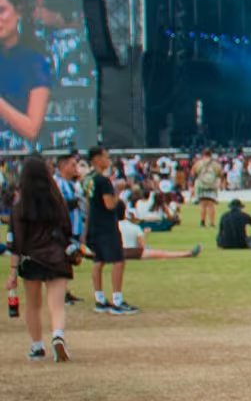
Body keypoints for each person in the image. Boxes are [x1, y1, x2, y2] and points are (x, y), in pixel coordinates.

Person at [10, 156, 74, 361]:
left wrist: (12, 271)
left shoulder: (20, 207)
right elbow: (67, 229)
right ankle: (58, 336)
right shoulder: (57, 201)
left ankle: (37, 346)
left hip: (31, 259)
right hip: (56, 256)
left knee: (33, 305)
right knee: (56, 305)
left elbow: (16, 241)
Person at [81, 147, 136, 315]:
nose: (109, 160)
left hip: (93, 225)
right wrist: (118, 190)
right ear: (97, 159)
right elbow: (110, 205)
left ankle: (100, 299)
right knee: (118, 260)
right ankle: (117, 300)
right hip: (106, 226)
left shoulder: (87, 179)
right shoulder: (103, 181)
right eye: (106, 157)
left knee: (99, 261)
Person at [0, 0, 52, 145]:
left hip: (18, 154)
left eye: (2, 11)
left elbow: (31, 129)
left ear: (18, 12)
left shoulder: (35, 62)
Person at [117, 217, 201, 260]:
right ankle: (188, 253)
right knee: (163, 253)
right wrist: (146, 234)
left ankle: (188, 253)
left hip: (117, 252)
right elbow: (142, 245)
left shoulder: (112, 226)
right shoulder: (134, 227)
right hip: (134, 252)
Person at [190, 149, 222, 228]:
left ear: (203, 154)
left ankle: (202, 223)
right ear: (211, 154)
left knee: (203, 205)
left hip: (201, 185)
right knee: (211, 205)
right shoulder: (215, 164)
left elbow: (192, 173)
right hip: (212, 185)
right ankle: (211, 223)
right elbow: (220, 174)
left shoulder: (198, 163)